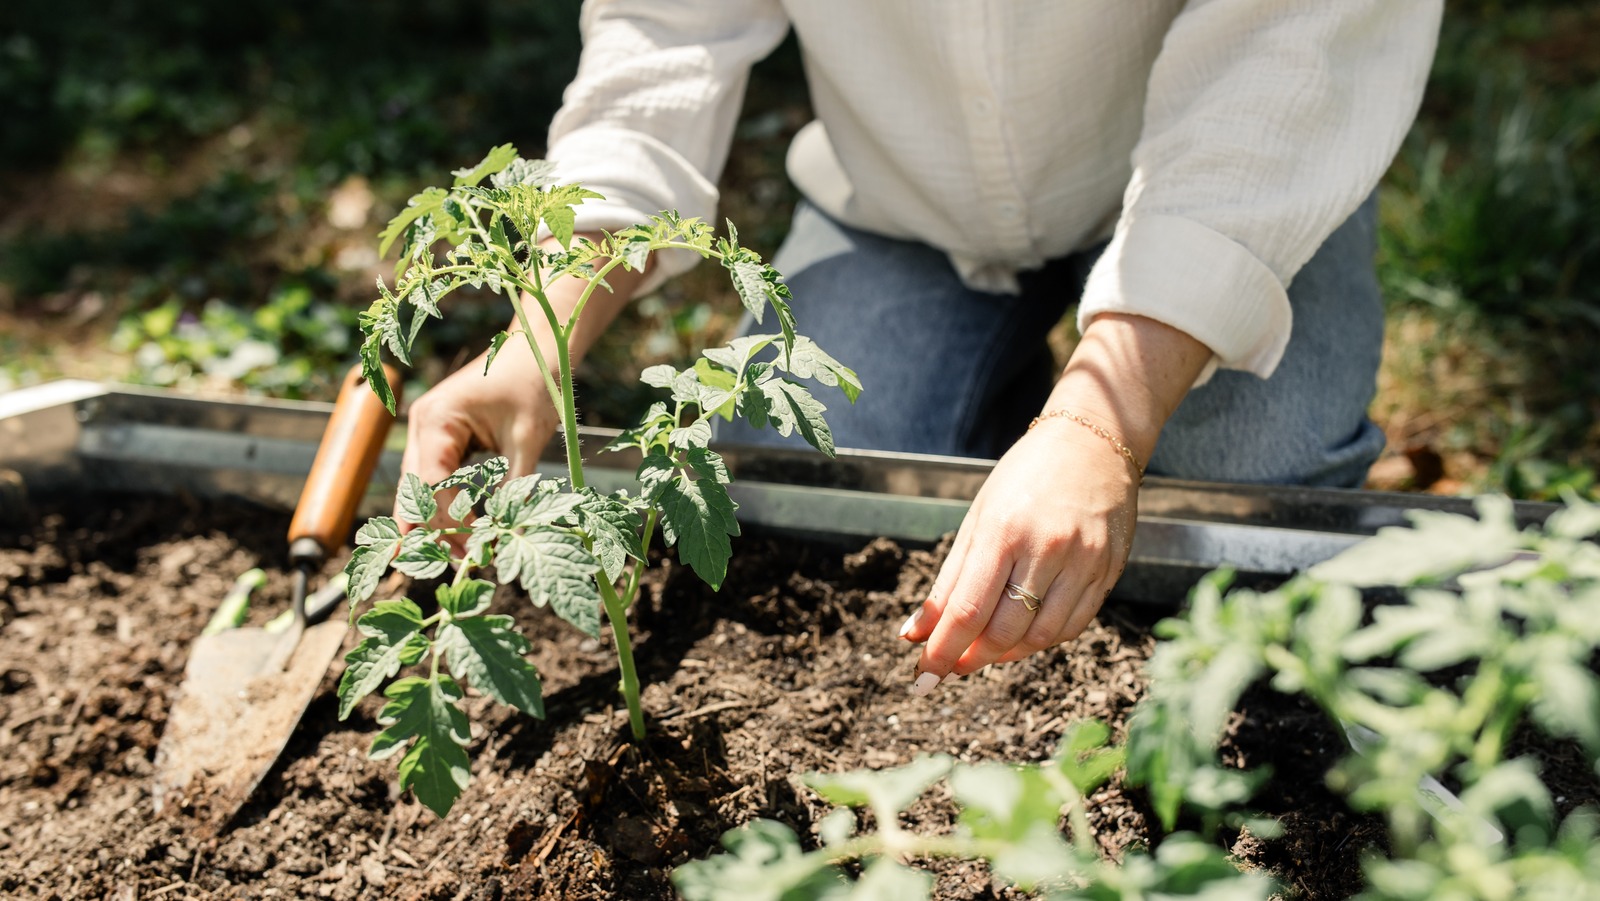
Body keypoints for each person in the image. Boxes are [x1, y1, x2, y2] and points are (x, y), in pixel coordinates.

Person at [398, 2, 1444, 697]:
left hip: (1232, 187)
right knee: (797, 496)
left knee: (1245, 509)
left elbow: (1290, 53)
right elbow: (664, 36)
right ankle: (1010, 444)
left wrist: (1100, 423)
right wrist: (541, 332)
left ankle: (1062, 432)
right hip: (904, 204)